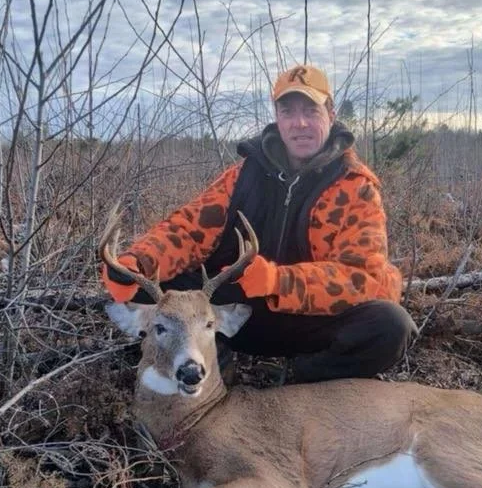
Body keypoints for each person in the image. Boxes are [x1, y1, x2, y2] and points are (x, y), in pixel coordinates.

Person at [103, 64, 416, 382]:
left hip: (312, 325)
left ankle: (301, 379)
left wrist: (277, 282)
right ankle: (203, 357)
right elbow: (188, 228)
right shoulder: (244, 175)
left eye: (311, 110)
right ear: (277, 118)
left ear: (331, 114)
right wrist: (138, 261)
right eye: (288, 112)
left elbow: (361, 278)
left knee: (390, 327)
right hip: (236, 314)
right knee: (146, 293)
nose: (300, 123)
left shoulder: (355, 186)